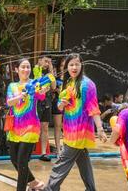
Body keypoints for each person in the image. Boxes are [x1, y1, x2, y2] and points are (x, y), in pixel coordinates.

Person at [40, 53, 107, 191]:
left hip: (80, 131)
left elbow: (94, 108)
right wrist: (61, 104)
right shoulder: (69, 82)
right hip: (70, 130)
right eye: (71, 64)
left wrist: (100, 129)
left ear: (82, 65)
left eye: (77, 64)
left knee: (62, 161)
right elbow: (59, 105)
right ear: (66, 67)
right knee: (83, 161)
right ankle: (91, 188)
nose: (74, 67)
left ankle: (50, 188)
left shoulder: (88, 85)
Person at [6, 58, 49, 191]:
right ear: (16, 69)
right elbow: (9, 102)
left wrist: (42, 90)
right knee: (14, 160)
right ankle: (34, 182)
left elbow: (41, 95)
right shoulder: (12, 86)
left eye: (28, 67)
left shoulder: (35, 84)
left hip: (31, 127)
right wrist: (20, 96)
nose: (26, 70)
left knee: (22, 162)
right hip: (15, 127)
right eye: (23, 67)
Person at [33, 56, 56, 161]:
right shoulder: (35, 69)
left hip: (46, 101)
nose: (47, 63)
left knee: (45, 127)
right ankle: (30, 151)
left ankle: (43, 153)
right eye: (46, 61)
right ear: (39, 60)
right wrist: (40, 67)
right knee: (34, 126)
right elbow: (37, 81)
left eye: (49, 62)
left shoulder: (49, 74)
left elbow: (54, 87)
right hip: (36, 101)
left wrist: (51, 71)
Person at [51, 57, 65, 155]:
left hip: (69, 103)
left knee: (67, 125)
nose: (63, 67)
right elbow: (51, 88)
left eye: (65, 65)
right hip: (57, 101)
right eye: (61, 65)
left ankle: (67, 146)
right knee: (58, 125)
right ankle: (58, 148)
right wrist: (55, 90)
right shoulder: (56, 77)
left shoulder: (71, 76)